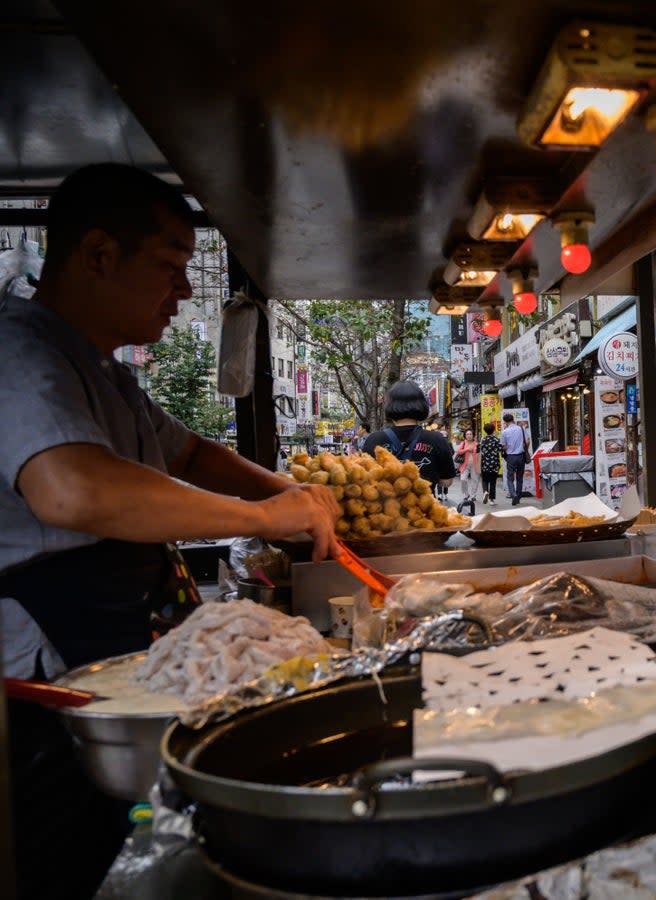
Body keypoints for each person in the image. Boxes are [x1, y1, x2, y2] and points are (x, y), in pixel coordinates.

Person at [0, 163, 340, 900]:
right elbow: (71, 488)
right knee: (65, 859)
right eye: (171, 264)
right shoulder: (20, 352)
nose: (185, 289)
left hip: (109, 647)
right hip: (40, 676)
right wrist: (263, 519)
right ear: (97, 254)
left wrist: (293, 493)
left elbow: (190, 453)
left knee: (129, 838)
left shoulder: (105, 372)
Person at [361, 382, 456, 493]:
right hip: (424, 508)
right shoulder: (437, 439)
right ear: (421, 405)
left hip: (384, 508)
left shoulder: (373, 439)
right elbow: (446, 482)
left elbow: (363, 480)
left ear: (390, 406)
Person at [500, 412, 529, 505]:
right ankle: (519, 496)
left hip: (511, 457)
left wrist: (509, 447)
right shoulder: (521, 428)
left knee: (510, 478)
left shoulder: (505, 432)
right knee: (520, 478)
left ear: (505, 422)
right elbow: (527, 441)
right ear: (513, 420)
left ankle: (513, 494)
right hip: (521, 456)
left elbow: (503, 446)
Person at [454, 428, 479, 512]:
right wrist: (467, 449)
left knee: (474, 480)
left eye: (470, 434)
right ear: (465, 435)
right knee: (463, 479)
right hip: (465, 465)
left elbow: (479, 454)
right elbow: (458, 451)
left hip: (475, 465)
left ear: (473, 435)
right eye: (467, 434)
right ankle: (466, 494)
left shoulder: (476, 444)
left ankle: (473, 496)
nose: (469, 435)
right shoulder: (463, 443)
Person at [479, 421, 502, 505]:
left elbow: (479, 450)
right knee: (493, 482)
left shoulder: (483, 440)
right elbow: (500, 450)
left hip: (485, 463)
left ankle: (485, 491)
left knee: (485, 480)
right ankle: (491, 500)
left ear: (485, 430)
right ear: (493, 430)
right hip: (494, 464)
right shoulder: (496, 440)